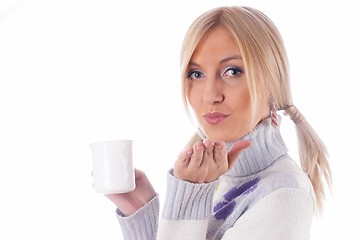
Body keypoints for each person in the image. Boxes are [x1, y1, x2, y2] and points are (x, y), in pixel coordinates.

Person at [104, 5, 332, 240]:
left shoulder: (283, 195)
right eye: (196, 74)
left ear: (272, 82)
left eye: (232, 72)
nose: (210, 95)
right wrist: (144, 217)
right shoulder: (216, 178)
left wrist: (188, 194)